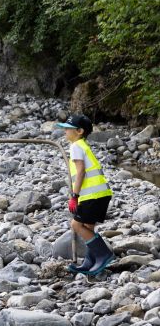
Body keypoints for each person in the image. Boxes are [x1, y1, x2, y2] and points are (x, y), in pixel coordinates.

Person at [56, 114, 114, 275]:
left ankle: (104, 254)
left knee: (76, 225)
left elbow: (81, 171)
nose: (65, 131)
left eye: (68, 129)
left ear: (80, 131)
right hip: (101, 193)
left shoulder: (75, 146)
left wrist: (75, 196)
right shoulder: (82, 145)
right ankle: (90, 261)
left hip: (93, 195)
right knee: (88, 227)